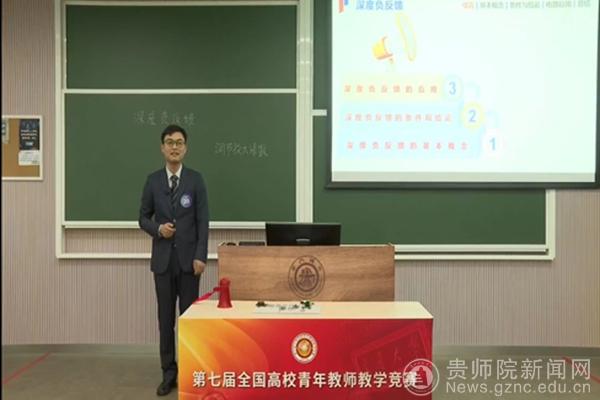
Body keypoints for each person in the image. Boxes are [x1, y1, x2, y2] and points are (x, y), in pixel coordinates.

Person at [138, 124, 209, 396]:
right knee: (165, 321)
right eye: (170, 142)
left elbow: (203, 221)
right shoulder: (153, 181)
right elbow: (142, 217)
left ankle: (191, 372)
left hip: (189, 264)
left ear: (185, 148)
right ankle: (169, 374)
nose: (174, 147)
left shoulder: (196, 180)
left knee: (188, 321)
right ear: (162, 148)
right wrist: (158, 229)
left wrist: (200, 256)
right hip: (163, 263)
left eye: (179, 142)